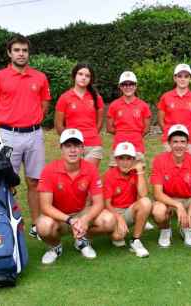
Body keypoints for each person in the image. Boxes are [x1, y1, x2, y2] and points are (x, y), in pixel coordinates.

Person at [0, 35, 51, 238]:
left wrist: (33, 120)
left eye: (24, 50)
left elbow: (45, 103)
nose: (21, 54)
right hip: (9, 136)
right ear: (9, 53)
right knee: (7, 182)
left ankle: (36, 225)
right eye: (17, 50)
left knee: (35, 181)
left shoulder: (39, 77)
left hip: (34, 134)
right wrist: (7, 124)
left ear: (29, 53)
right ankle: (8, 225)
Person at [36, 129, 116, 264]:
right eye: (68, 146)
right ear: (61, 148)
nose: (73, 150)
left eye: (77, 146)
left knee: (109, 221)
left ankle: (82, 240)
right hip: (59, 216)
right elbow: (45, 206)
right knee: (43, 226)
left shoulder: (90, 169)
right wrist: (70, 220)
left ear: (82, 149)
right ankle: (55, 247)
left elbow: (98, 203)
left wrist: (85, 219)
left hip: (81, 212)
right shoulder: (49, 170)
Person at [150, 124, 191, 248]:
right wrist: (177, 205)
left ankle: (188, 227)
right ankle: (165, 229)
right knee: (158, 212)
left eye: (182, 141)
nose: (179, 145)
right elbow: (157, 193)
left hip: (187, 199)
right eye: (175, 141)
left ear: (187, 144)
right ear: (169, 144)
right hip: (167, 200)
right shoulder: (159, 160)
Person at [103, 142, 153, 258]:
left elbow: (143, 194)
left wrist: (140, 172)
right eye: (121, 158)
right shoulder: (109, 175)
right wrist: (119, 218)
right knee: (118, 237)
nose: (125, 162)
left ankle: (135, 240)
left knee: (146, 202)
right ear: (116, 160)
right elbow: (107, 204)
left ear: (134, 160)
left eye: (129, 159)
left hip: (130, 210)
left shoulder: (136, 173)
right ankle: (117, 232)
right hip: (115, 212)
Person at [55, 63, 104, 168]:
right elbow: (59, 126)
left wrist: (92, 134)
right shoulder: (64, 98)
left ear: (91, 79)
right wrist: (69, 141)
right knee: (73, 179)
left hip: (93, 145)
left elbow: (99, 123)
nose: (83, 78)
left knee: (87, 178)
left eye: (87, 76)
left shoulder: (97, 98)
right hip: (73, 146)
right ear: (74, 76)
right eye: (80, 74)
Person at [107, 71, 151, 167]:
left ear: (135, 86)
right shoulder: (114, 105)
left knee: (138, 177)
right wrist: (122, 134)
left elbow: (147, 129)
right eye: (124, 84)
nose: (128, 87)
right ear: (120, 86)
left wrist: (135, 135)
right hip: (118, 147)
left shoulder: (143, 106)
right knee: (115, 176)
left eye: (131, 84)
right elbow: (109, 128)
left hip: (137, 147)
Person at [157, 63, 191, 154]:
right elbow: (161, 121)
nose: (183, 79)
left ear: (190, 79)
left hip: (190, 142)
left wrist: (188, 134)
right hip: (170, 141)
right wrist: (171, 133)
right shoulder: (165, 97)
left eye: (186, 76)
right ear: (175, 78)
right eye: (180, 76)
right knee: (168, 167)